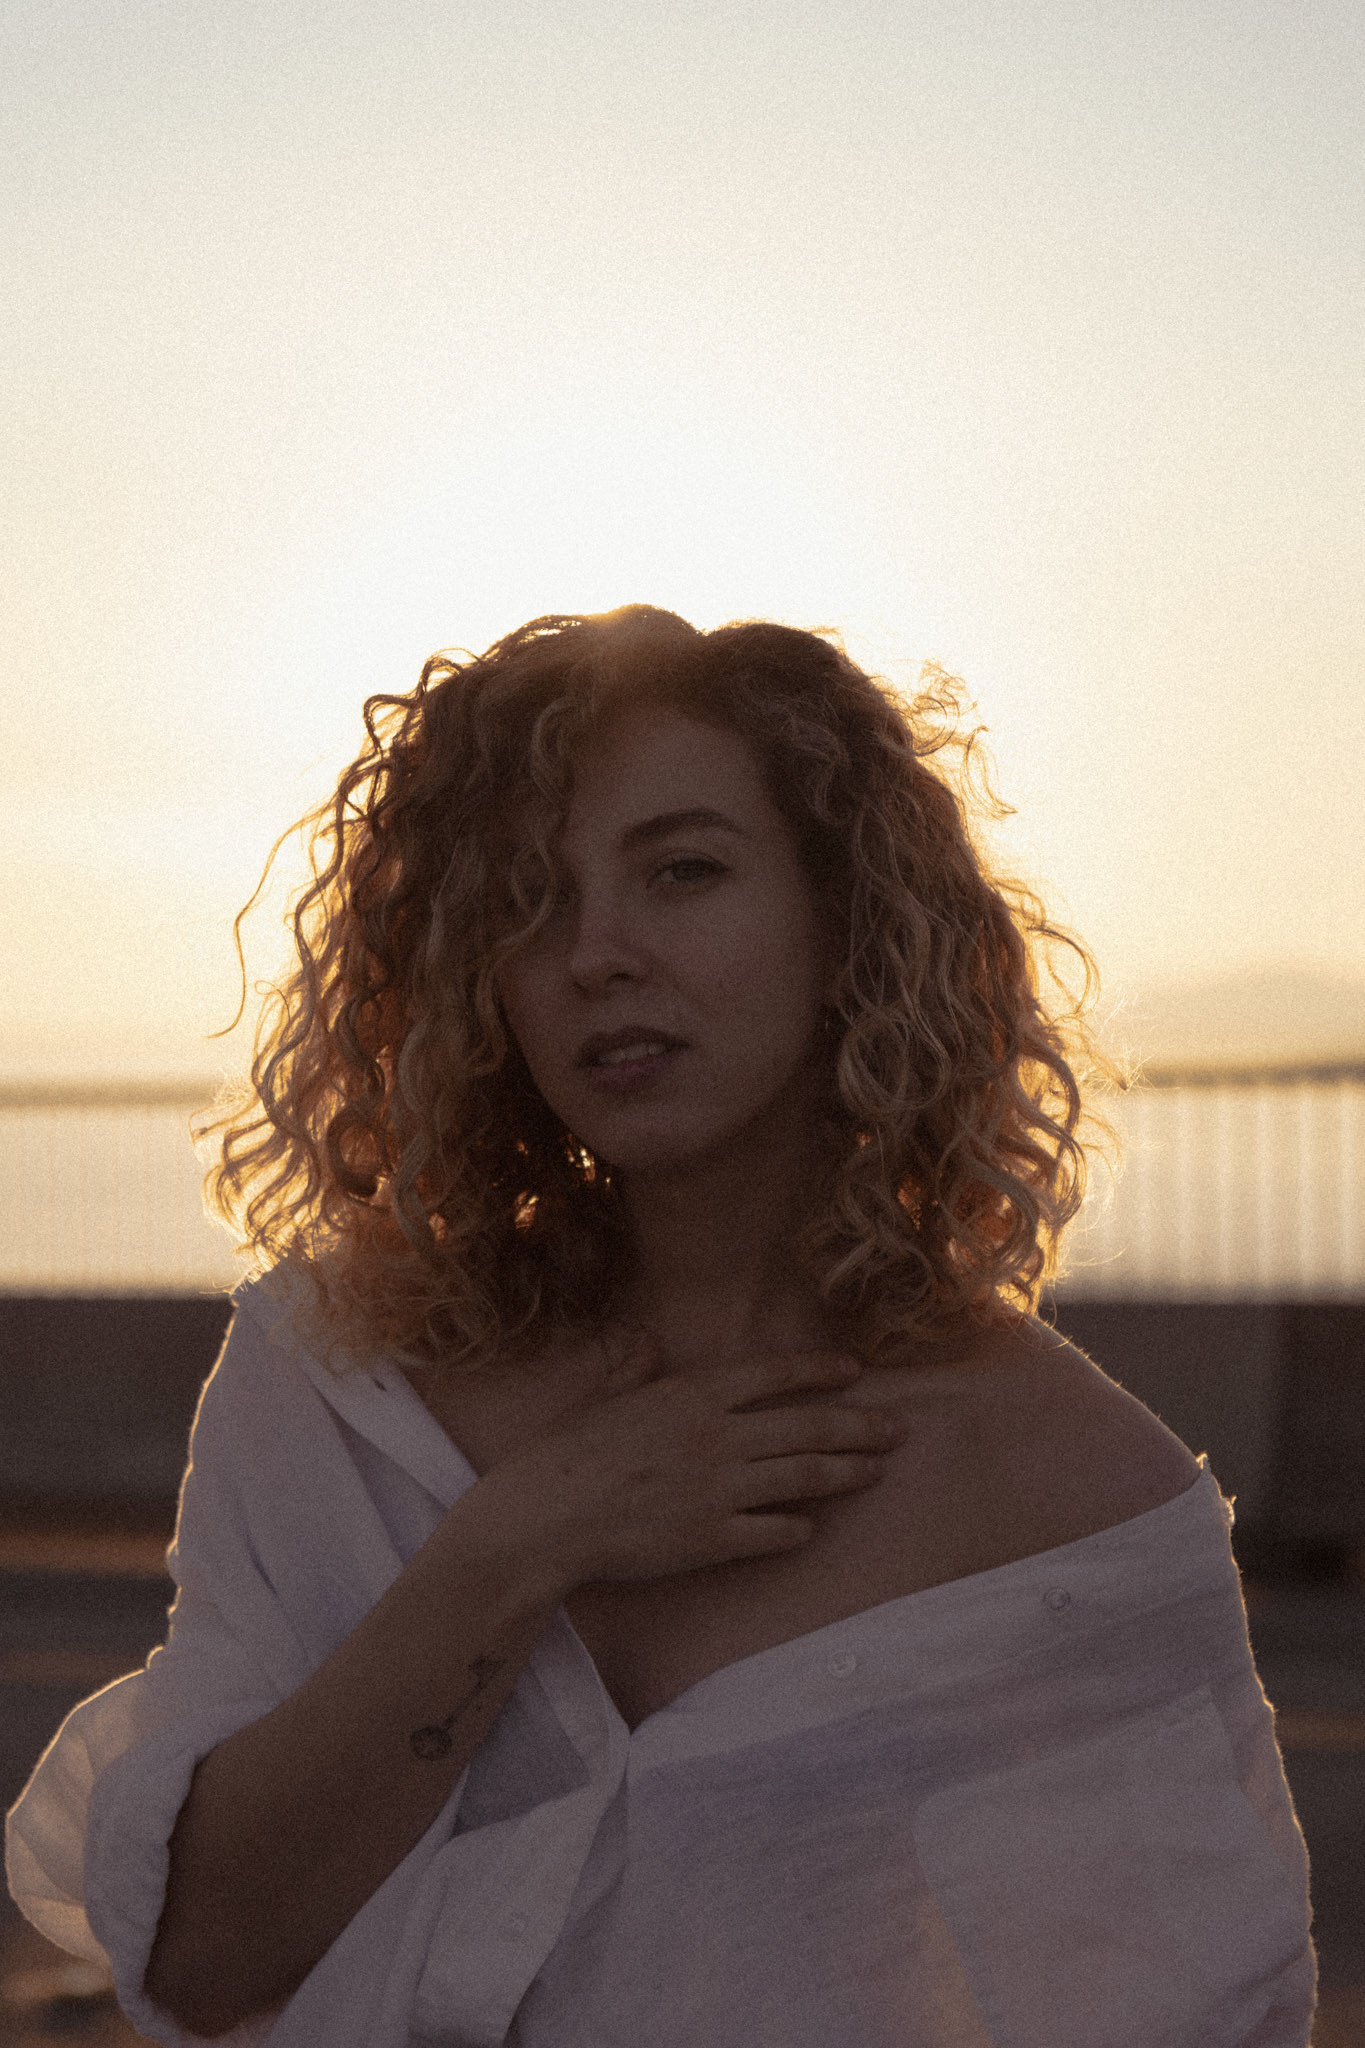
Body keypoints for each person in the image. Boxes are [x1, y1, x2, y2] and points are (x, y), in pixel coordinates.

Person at [6, 607, 1316, 2045]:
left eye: (683, 871)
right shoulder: (346, 1378)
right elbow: (203, 1958)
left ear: (846, 920)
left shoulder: (1074, 1499)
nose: (596, 955)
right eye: (526, 899)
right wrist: (522, 1539)